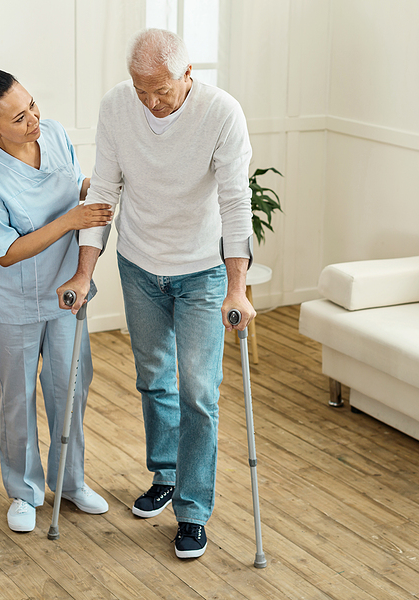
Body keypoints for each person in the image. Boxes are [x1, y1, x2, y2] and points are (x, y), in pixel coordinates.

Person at [58, 28, 255, 559]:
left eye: (161, 91)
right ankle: (165, 474)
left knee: (199, 392)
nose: (151, 103)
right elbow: (104, 189)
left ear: (188, 75)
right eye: (140, 90)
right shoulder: (118, 107)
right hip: (138, 264)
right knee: (153, 379)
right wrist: (83, 271)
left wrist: (237, 287)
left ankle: (192, 511)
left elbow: (237, 203)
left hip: (202, 271)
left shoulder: (221, 114)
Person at [0, 69, 113, 533]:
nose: (34, 119)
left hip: (66, 291)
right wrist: (71, 219)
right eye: (19, 116)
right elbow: (5, 253)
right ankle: (24, 492)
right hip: (14, 301)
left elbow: (75, 186)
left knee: (70, 390)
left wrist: (94, 192)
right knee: (18, 397)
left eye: (33, 105)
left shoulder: (58, 135)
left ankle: (71, 482)